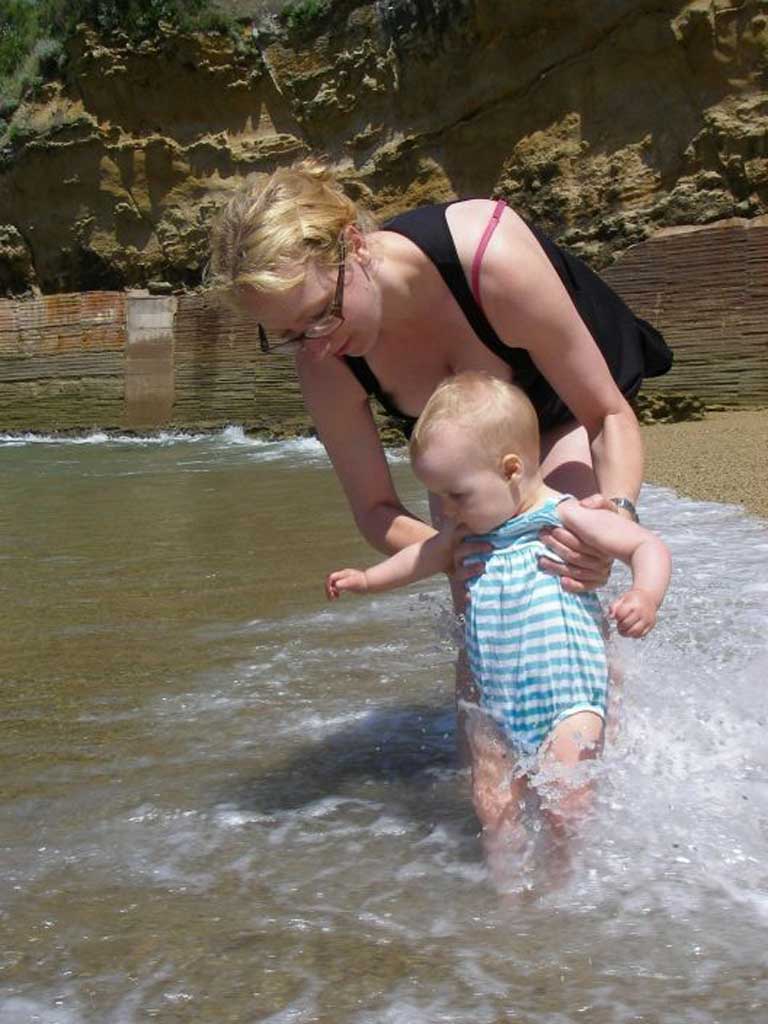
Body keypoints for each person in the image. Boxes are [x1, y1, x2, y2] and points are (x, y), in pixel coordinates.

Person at [206, 158, 672, 764]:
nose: (315, 343)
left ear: (354, 246)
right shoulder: (325, 358)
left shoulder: (487, 255)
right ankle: (493, 831)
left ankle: (603, 794)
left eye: (321, 312)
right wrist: (454, 550)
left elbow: (606, 416)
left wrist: (614, 519)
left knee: (565, 570)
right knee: (484, 635)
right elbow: (374, 510)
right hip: (470, 460)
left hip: (565, 409)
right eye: (290, 333)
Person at [325, 372, 672, 880]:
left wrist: (645, 593)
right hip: (496, 705)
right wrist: (366, 580)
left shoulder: (565, 516)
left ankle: (566, 884)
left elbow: (645, 545)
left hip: (569, 699)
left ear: (511, 470)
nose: (445, 510)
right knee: (492, 808)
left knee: (566, 805)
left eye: (457, 494)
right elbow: (417, 559)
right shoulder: (463, 533)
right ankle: (509, 905)